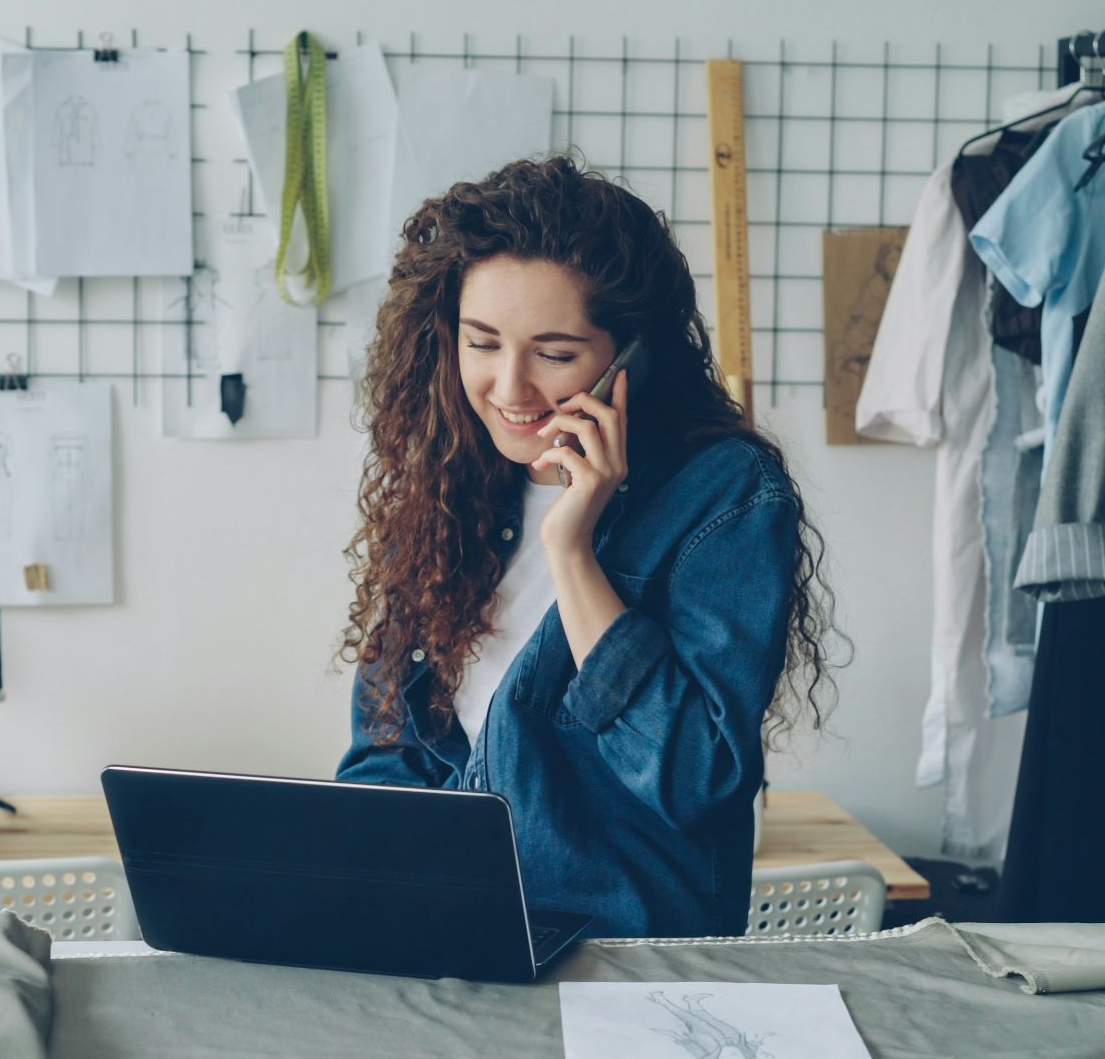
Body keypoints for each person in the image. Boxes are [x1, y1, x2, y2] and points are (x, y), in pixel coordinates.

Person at [336, 155, 837, 938]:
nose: (509, 388)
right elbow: (386, 750)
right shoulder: (452, 481)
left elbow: (695, 776)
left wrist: (573, 551)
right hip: (450, 944)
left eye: (556, 353)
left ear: (631, 357)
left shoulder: (725, 495)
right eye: (482, 343)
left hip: (625, 964)